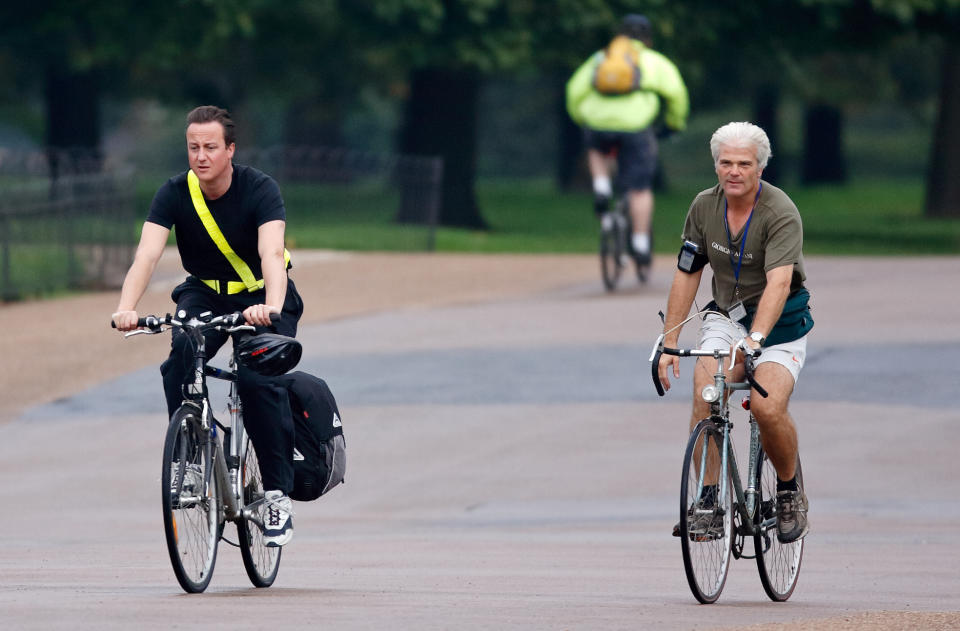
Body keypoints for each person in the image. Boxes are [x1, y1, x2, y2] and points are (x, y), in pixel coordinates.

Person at [112, 105, 303, 547]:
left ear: (230, 150)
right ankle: (190, 458)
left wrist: (271, 306)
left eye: (211, 147)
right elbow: (147, 255)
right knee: (182, 353)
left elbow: (273, 255)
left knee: (258, 380)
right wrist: (126, 307)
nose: (201, 156)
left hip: (260, 293)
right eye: (193, 147)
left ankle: (276, 494)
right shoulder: (175, 193)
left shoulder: (260, 189)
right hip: (204, 291)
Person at [657, 122, 813, 543]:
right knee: (705, 389)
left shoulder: (780, 212)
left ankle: (786, 488)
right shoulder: (704, 207)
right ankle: (708, 500)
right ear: (716, 165)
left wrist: (757, 339)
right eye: (726, 163)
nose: (734, 171)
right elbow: (687, 272)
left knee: (766, 408)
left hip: (779, 326)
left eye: (744, 163)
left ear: (760, 167)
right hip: (725, 317)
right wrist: (671, 341)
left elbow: (780, 283)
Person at [566, 14, 689, 267]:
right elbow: (677, 95)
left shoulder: (600, 58)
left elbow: (574, 91)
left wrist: (583, 119)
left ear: (620, 34)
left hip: (597, 123)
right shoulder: (654, 61)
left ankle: (601, 186)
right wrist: (673, 124)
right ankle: (641, 242)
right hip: (635, 127)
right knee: (640, 188)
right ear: (648, 38)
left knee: (596, 149)